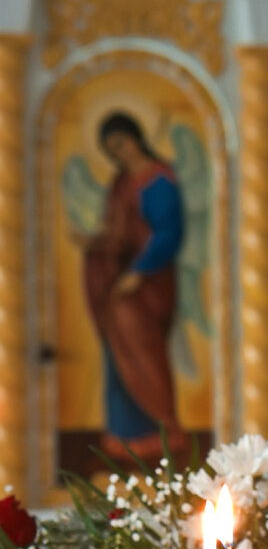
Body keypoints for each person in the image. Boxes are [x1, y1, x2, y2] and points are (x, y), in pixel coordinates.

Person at [75, 112, 187, 463]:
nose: (118, 154)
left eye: (120, 144)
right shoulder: (122, 181)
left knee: (144, 354)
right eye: (111, 150)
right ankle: (124, 437)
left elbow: (167, 232)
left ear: (135, 138)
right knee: (117, 355)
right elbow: (117, 233)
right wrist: (96, 243)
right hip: (119, 281)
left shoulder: (159, 181)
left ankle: (164, 427)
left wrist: (139, 271)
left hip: (147, 283)